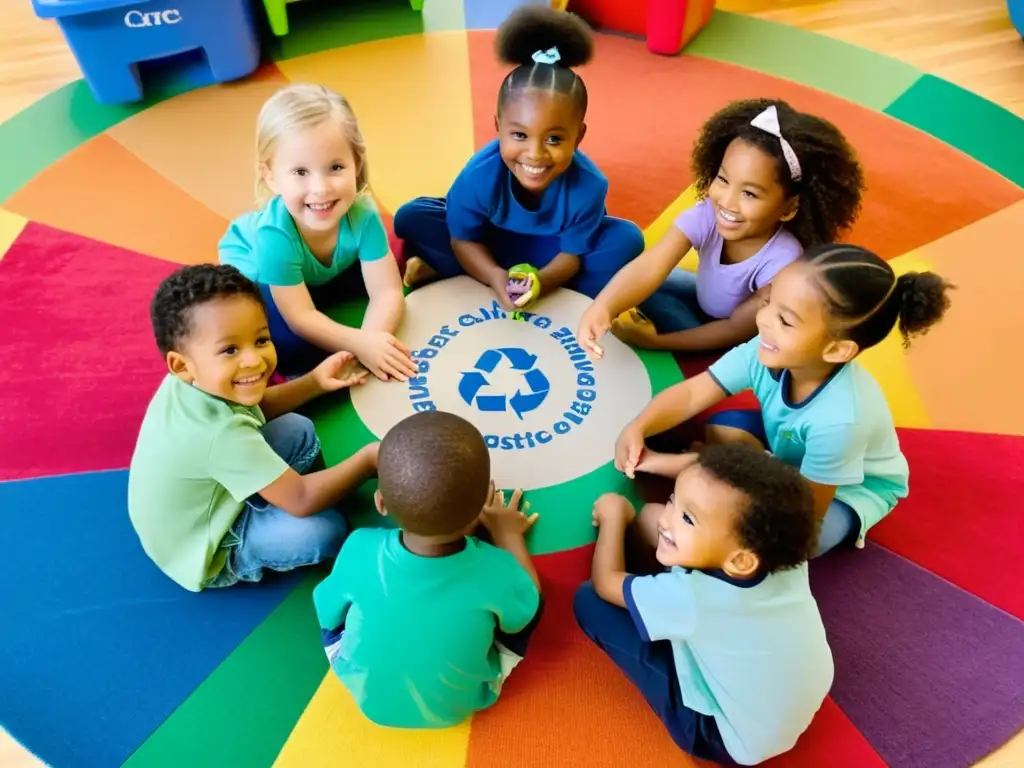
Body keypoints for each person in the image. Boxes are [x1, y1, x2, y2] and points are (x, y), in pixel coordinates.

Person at [614, 244, 954, 556]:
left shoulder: (841, 420)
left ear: (836, 349)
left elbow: (806, 510)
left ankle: (715, 476)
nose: (763, 321)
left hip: (846, 494)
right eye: (769, 302)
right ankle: (719, 471)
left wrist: (695, 476)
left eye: (785, 320)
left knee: (781, 543)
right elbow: (692, 393)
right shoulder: (765, 349)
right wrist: (640, 425)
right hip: (790, 451)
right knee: (722, 428)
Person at [574, 444, 833, 765]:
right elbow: (666, 516)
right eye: (673, 499)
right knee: (650, 519)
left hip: (723, 736)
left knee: (588, 602)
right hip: (787, 703)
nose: (669, 517)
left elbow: (605, 582)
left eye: (687, 517)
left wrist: (614, 518)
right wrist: (666, 513)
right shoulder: (782, 554)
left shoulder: (692, 598)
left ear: (739, 560)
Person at [128, 264, 378, 592]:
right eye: (230, 349)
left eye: (261, 339)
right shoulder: (221, 435)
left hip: (201, 500)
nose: (254, 361)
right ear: (181, 365)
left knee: (298, 429)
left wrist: (315, 381)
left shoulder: (191, 381)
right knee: (323, 530)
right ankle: (248, 544)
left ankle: (281, 492)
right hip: (207, 546)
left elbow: (251, 408)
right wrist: (370, 459)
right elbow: (301, 499)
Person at [393, 5, 644, 310]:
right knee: (412, 216)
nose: (535, 154)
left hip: (550, 255)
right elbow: (464, 240)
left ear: (578, 136)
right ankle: (461, 270)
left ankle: (446, 272)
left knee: (627, 240)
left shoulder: (589, 186)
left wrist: (540, 280)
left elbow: (571, 256)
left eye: (554, 139)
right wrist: (495, 275)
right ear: (498, 128)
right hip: (488, 244)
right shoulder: (479, 176)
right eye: (520, 135)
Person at [577, 98, 864, 355]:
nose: (727, 202)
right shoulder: (709, 214)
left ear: (789, 207)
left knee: (660, 311)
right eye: (723, 180)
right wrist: (603, 307)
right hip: (702, 297)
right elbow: (653, 264)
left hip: (721, 330)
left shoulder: (783, 262)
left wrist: (655, 342)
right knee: (627, 273)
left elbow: (734, 331)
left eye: (749, 194)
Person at [313, 410, 543, 728]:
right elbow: (524, 615)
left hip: (367, 696)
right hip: (463, 701)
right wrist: (507, 534)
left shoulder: (360, 546)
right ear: (481, 508)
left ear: (381, 504)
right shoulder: (497, 567)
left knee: (348, 607)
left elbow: (328, 615)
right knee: (526, 601)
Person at [219, 83, 417, 381]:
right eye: (300, 172)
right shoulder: (273, 236)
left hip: (317, 271)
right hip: (258, 273)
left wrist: (372, 341)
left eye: (335, 167)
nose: (321, 189)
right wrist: (360, 344)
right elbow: (300, 317)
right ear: (270, 176)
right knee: (288, 346)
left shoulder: (363, 214)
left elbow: (387, 291)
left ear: (356, 163)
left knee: (385, 285)